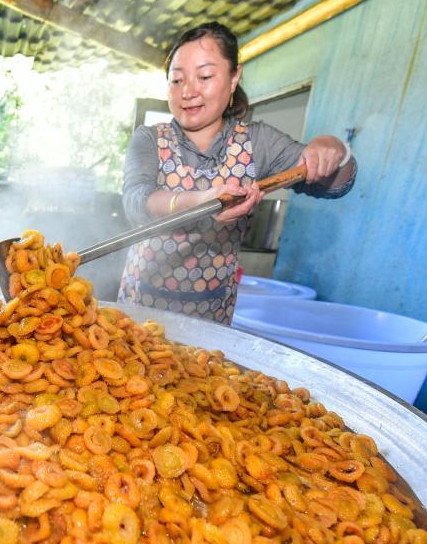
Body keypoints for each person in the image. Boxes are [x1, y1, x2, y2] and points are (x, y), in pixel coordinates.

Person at [119, 22, 357, 324]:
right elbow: (137, 200)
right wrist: (201, 201)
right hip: (141, 308)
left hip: (211, 313)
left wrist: (334, 149)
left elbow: (336, 185)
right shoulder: (150, 139)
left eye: (205, 76)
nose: (188, 91)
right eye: (177, 80)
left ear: (234, 78)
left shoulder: (258, 142)